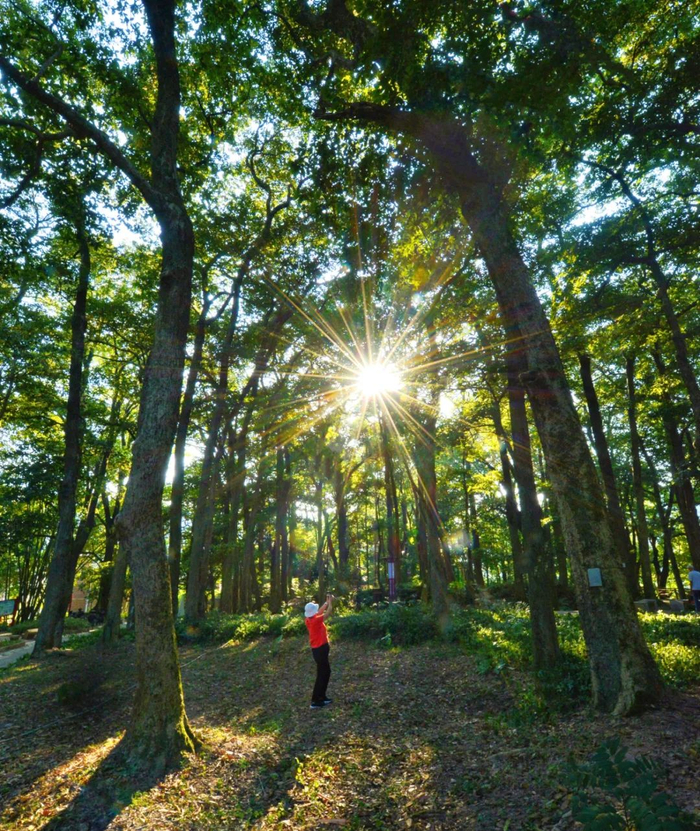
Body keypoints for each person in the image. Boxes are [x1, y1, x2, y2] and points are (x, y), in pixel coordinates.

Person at [305, 593, 333, 709]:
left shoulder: (309, 619)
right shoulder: (315, 621)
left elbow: (319, 612)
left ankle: (321, 697)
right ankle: (316, 700)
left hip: (319, 650)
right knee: (322, 674)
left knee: (325, 673)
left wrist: (326, 602)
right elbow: (327, 613)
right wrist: (330, 603)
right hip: (320, 650)